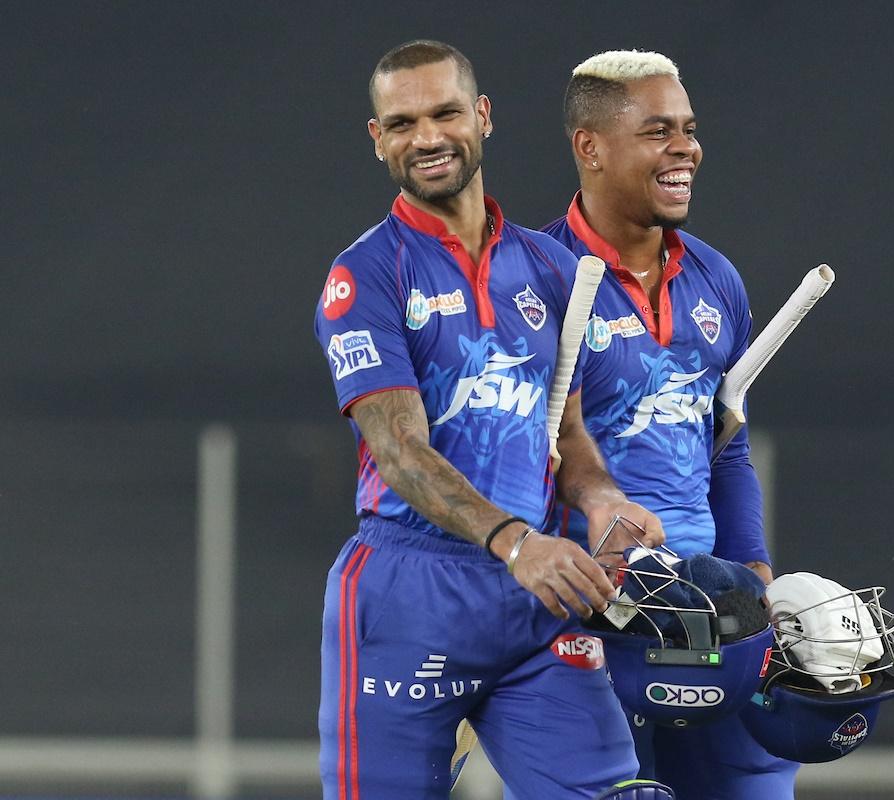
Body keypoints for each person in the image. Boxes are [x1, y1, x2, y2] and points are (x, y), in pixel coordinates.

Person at [313, 40, 668, 800]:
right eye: (402, 123)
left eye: (444, 113)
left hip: (538, 599)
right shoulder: (366, 275)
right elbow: (401, 453)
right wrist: (515, 543)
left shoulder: (549, 268)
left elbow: (565, 434)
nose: (428, 137)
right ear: (379, 140)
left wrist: (601, 498)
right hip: (409, 591)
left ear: (482, 117)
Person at [541, 50, 801, 798]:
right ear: (589, 147)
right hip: (592, 618)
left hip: (710, 614)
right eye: (659, 131)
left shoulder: (718, 280)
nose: (686, 147)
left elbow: (727, 447)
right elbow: (512, 455)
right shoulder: (533, 279)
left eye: (688, 129)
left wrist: (754, 571)